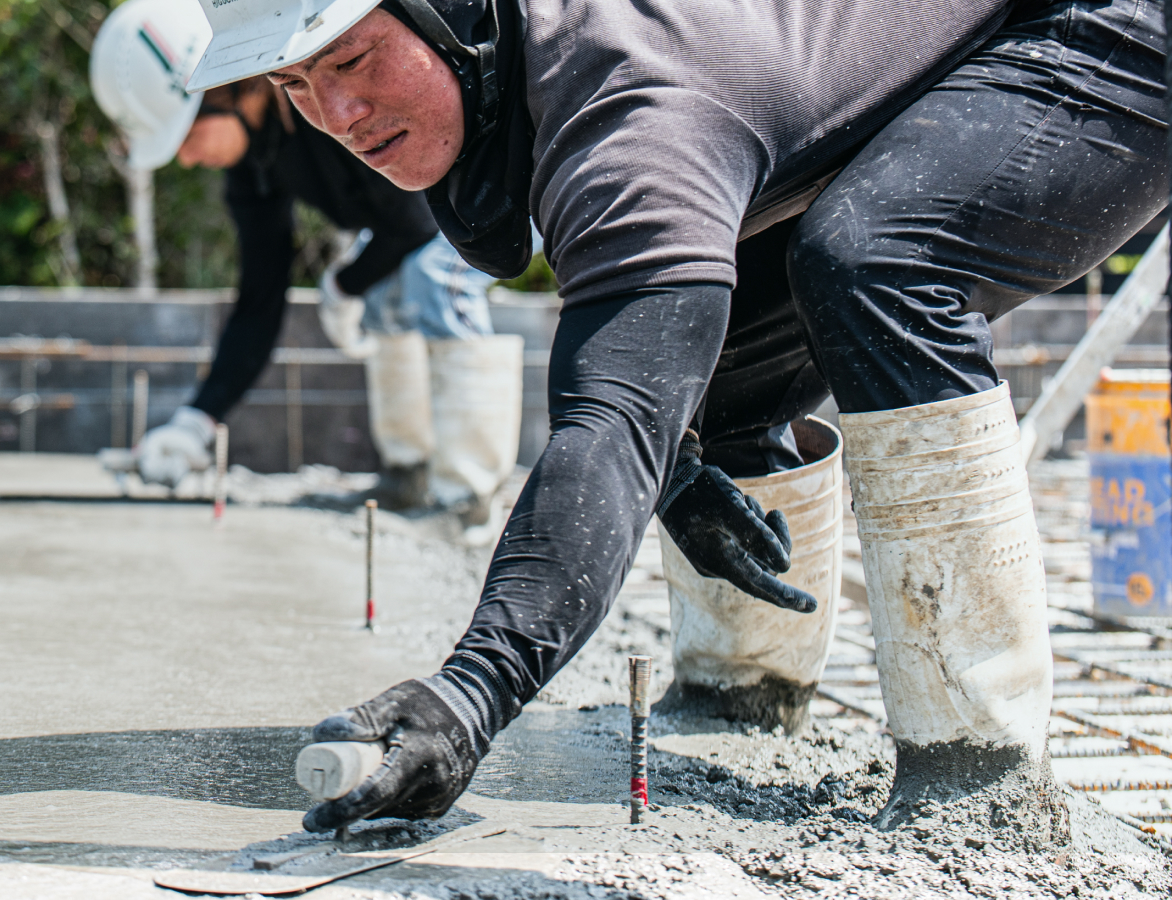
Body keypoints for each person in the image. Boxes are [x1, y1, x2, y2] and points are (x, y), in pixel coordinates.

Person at [187, 0, 1167, 847]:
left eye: (353, 62)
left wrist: (471, 695)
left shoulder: (628, 105)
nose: (338, 116)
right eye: (298, 86)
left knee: (874, 256)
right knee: (702, 351)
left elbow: (609, 416)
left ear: (451, 14)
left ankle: (978, 765)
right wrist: (683, 456)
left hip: (1106, 26)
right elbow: (646, 363)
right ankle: (745, 689)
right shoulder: (533, 66)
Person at [90, 0, 527, 540]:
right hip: (406, 222)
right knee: (388, 296)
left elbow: (414, 224)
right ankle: (407, 478)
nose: (185, 159)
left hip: (474, 192)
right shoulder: (256, 169)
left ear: (221, 92)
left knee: (429, 281)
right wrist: (196, 422)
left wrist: (344, 284)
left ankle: (468, 500)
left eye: (185, 137)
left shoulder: (333, 107)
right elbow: (260, 302)